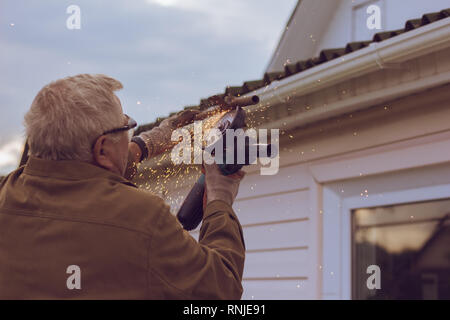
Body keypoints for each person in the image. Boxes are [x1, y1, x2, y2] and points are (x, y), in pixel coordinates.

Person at [0, 74, 246, 299]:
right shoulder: (144, 218)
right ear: (103, 148)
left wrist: (145, 144)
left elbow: (77, 169)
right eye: (126, 125)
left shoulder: (5, 193)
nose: (131, 131)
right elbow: (221, 288)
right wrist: (220, 196)